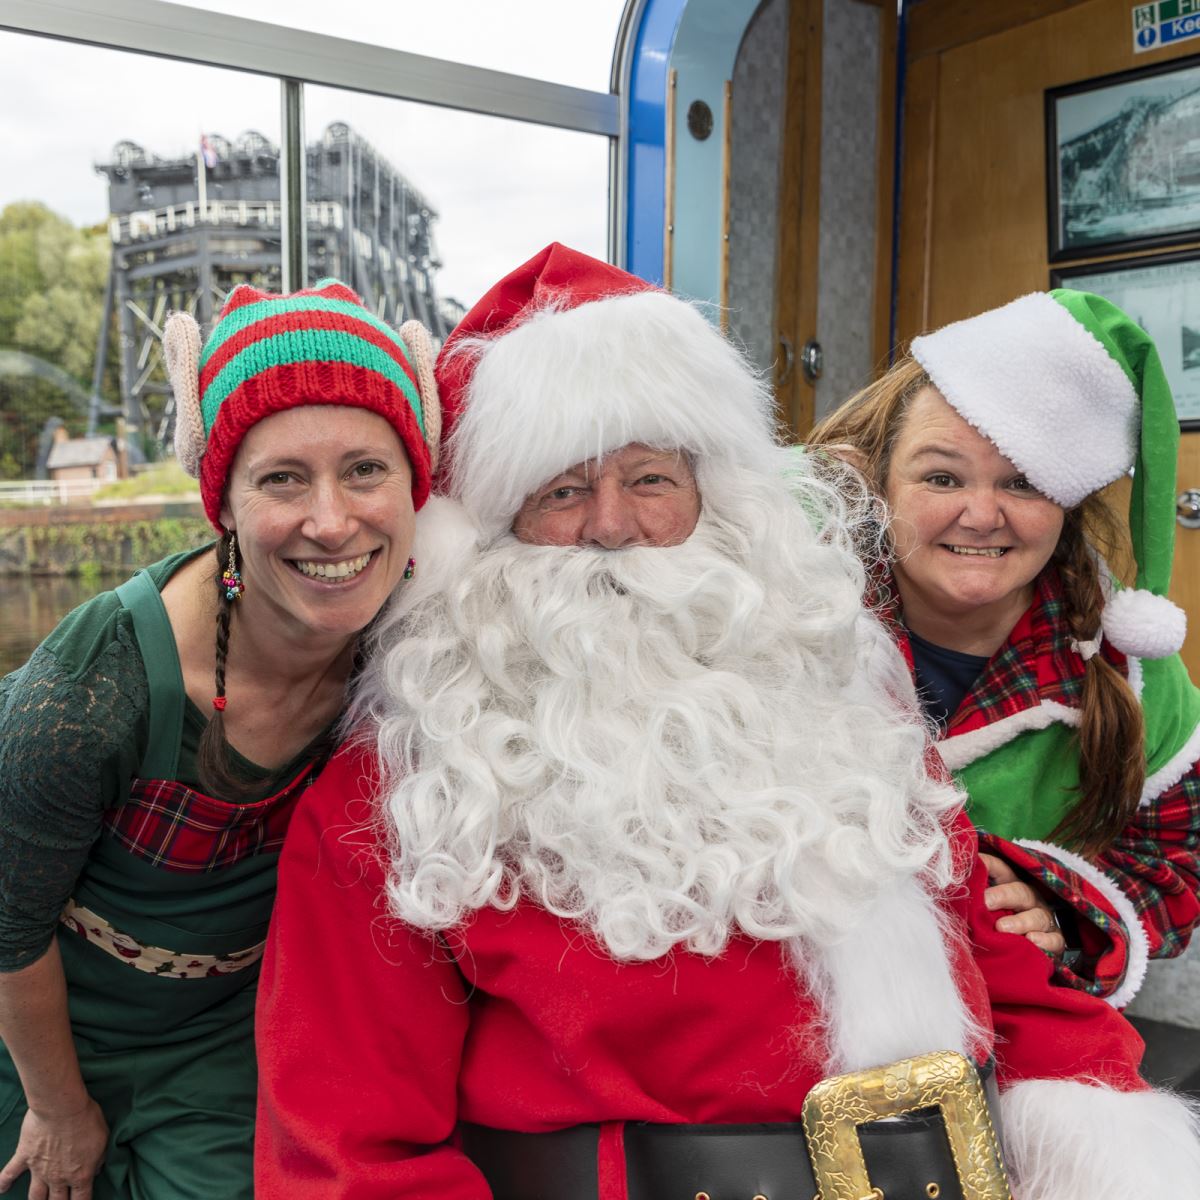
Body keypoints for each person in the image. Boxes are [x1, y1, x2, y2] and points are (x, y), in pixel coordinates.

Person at [255, 245, 1200, 1200]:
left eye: (653, 479)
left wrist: (1115, 1145)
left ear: (718, 498)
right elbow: (348, 1157)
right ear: (488, 528)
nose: (615, 527)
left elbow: (1006, 974)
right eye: (562, 491)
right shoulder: (403, 793)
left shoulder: (839, 694)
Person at [0, 278, 440, 1200]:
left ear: (415, 485)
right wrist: (58, 1106)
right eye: (282, 478)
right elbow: (7, 925)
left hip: (224, 1041)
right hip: (38, 1030)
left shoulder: (424, 649)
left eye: (365, 468)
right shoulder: (91, 689)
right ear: (225, 504)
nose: (331, 520)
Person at [809, 290, 1200, 1007]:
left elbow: (1173, 862)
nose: (982, 515)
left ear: (1066, 502)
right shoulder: (781, 619)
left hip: (1015, 1034)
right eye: (940, 477)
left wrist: (1070, 910)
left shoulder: (1134, 673)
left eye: (1022, 482)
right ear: (878, 482)